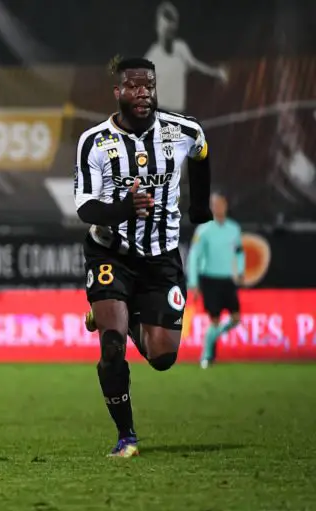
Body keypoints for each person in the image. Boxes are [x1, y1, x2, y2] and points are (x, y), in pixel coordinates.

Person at [75, 56, 212, 457]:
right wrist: (124, 208)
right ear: (117, 91)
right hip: (111, 253)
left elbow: (202, 151)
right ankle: (126, 436)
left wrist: (199, 206)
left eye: (148, 85)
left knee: (162, 356)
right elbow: (86, 208)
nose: (143, 93)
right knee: (112, 346)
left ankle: (118, 311)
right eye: (133, 86)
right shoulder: (95, 142)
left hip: (161, 258)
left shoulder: (181, 131)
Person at [187, 192, 244, 368]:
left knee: (236, 319)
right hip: (210, 279)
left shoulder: (234, 228)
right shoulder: (204, 230)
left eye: (220, 204)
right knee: (215, 320)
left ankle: (211, 340)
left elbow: (239, 252)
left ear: (225, 205)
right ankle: (206, 356)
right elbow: (194, 257)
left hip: (227, 279)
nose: (218, 207)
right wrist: (193, 283)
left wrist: (240, 270)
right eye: (214, 205)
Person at [144, 1, 228, 113]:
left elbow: (196, 65)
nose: (167, 33)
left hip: (179, 113)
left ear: (175, 28)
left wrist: (216, 73)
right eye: (164, 28)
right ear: (157, 28)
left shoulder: (181, 48)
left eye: (170, 29)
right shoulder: (151, 57)